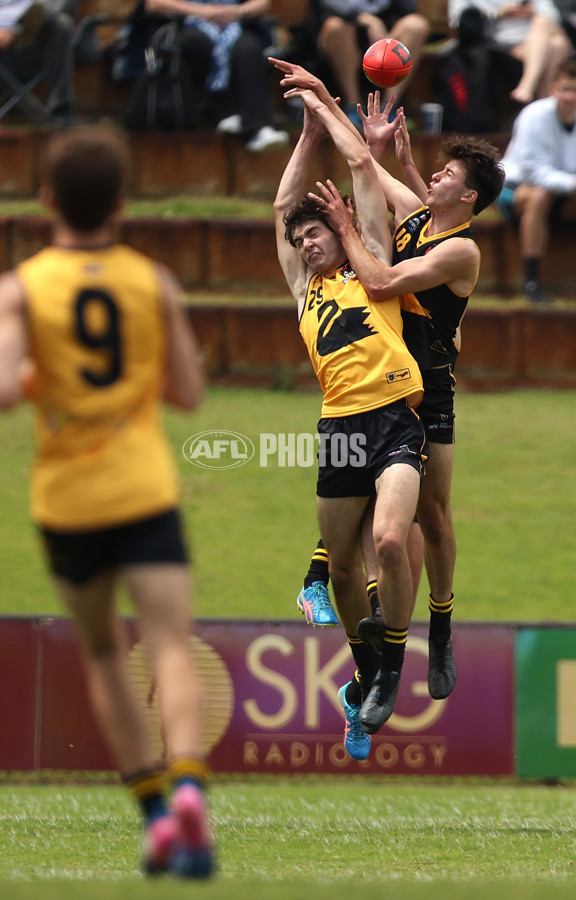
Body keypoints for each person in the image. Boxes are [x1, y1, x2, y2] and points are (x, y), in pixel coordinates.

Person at [0, 126, 214, 879]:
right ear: (123, 203)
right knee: (170, 646)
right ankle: (188, 787)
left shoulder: (21, 287)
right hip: (143, 487)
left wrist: (44, 382)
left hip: (68, 502)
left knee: (106, 652)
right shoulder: (153, 282)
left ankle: (152, 815)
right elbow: (187, 392)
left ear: (45, 200)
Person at [270, 56, 505, 723]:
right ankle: (340, 594)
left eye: (446, 175)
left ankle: (438, 629)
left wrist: (325, 109)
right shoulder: (411, 220)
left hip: (425, 390)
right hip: (357, 406)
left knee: (425, 521)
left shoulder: (458, 250)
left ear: (466, 197)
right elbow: (372, 186)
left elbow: (382, 278)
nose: (432, 174)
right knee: (368, 527)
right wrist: (361, 144)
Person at [274, 83, 427, 757]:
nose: (308, 243)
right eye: (301, 239)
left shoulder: (371, 262)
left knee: (390, 545)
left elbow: (365, 172)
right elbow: (282, 204)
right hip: (339, 432)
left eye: (316, 232)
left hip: (395, 421)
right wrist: (308, 132)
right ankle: (361, 690)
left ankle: (389, 667)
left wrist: (333, 117)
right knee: (341, 574)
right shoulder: (305, 292)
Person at [142, 0, 289, 150]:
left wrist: (235, 12)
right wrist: (200, 11)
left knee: (248, 48)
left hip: (233, 25)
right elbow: (154, 4)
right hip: (188, 24)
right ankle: (223, 111)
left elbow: (262, 4)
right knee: (197, 43)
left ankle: (259, 128)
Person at [497, 53, 576, 304]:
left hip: (565, 193)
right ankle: (532, 282)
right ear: (553, 88)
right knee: (539, 196)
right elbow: (534, 172)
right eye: (565, 89)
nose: (570, 97)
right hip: (515, 189)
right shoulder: (533, 115)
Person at [314, 0, 429, 126]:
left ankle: (388, 108)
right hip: (346, 37)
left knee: (416, 25)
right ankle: (354, 107)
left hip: (383, 39)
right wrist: (362, 17)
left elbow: (409, 9)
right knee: (335, 26)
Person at [447, 0, 571, 104]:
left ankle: (528, 87)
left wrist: (532, 11)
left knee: (548, 30)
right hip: (502, 43)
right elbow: (457, 21)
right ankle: (545, 103)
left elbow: (553, 15)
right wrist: (497, 14)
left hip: (538, 37)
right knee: (558, 45)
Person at [0, 0, 76, 125]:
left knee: (61, 24)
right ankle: (30, 29)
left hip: (30, 45)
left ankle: (61, 110)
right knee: (51, 18)